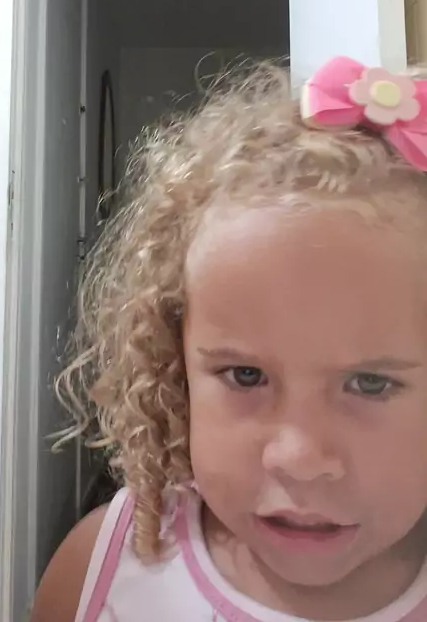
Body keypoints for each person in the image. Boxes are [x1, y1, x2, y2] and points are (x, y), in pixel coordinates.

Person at [32, 56, 427, 622]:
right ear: (175, 370)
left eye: (370, 383)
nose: (299, 458)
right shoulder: (103, 568)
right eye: (246, 375)